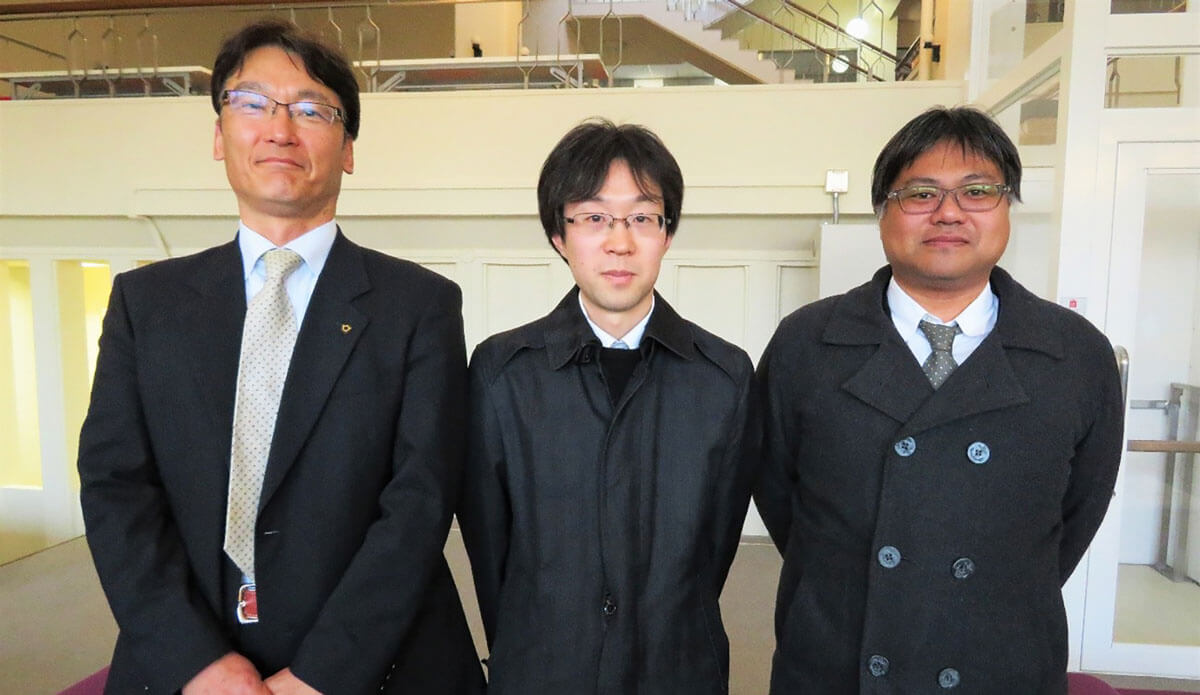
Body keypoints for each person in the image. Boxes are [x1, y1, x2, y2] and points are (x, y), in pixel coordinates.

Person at [77, 20, 483, 695]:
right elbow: (115, 488)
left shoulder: (419, 306)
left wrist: (321, 674)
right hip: (184, 667)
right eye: (252, 103)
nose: (279, 129)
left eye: (311, 110)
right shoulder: (145, 305)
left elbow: (420, 503)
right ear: (219, 135)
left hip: (372, 669)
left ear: (348, 149)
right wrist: (197, 663)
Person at [755, 106, 1124, 694]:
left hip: (1002, 661)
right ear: (882, 213)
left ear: (1007, 207)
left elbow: (1077, 512)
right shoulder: (806, 342)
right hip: (837, 657)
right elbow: (779, 496)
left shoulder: (1076, 353)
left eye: (977, 191)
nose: (949, 212)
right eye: (921, 193)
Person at [459, 119, 758, 694]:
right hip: (543, 669)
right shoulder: (502, 373)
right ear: (558, 235)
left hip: (677, 668)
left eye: (642, 218)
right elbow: (489, 547)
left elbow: (714, 548)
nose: (620, 242)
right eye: (594, 218)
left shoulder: (724, 377)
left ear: (668, 233)